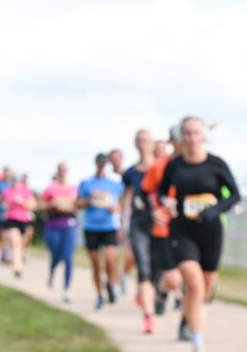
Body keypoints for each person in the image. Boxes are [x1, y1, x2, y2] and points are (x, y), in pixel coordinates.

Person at [159, 116, 241, 352]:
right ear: (180, 137)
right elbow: (162, 191)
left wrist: (214, 210)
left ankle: (188, 320)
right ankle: (197, 345)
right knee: (193, 284)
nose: (192, 138)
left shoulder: (216, 164)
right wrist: (166, 201)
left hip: (211, 230)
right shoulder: (174, 165)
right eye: (187, 133)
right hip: (183, 229)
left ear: (203, 135)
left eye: (195, 133)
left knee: (205, 289)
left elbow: (234, 195)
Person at [143, 130, 184, 318]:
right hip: (164, 226)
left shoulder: (201, 164)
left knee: (189, 273)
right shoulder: (160, 165)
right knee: (173, 276)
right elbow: (145, 192)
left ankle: (187, 323)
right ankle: (163, 290)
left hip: (192, 228)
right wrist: (154, 211)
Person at [122, 129, 159, 333]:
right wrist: (123, 223)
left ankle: (151, 295)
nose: (143, 144)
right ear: (135, 144)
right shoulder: (130, 173)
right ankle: (148, 316)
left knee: (158, 270)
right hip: (138, 223)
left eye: (146, 140)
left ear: (153, 144)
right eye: (139, 141)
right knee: (143, 268)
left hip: (161, 224)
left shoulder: (163, 168)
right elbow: (126, 198)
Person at [77, 153, 125, 309]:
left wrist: (117, 209)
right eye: (100, 163)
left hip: (109, 226)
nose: (102, 166)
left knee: (111, 258)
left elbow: (122, 202)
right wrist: (90, 199)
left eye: (104, 163)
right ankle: (99, 295)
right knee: (96, 263)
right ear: (96, 164)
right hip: (91, 227)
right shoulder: (86, 183)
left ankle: (111, 283)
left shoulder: (114, 184)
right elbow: (77, 204)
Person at [41, 162, 78, 303]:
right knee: (56, 255)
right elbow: (40, 204)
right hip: (53, 225)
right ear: (57, 171)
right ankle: (52, 271)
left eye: (64, 170)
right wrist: (51, 204)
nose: (62, 172)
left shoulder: (73, 188)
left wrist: (73, 206)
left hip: (69, 224)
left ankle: (67, 289)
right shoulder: (50, 189)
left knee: (68, 257)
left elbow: (79, 204)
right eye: (60, 170)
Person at [0, 172, 36, 278]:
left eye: (16, 180)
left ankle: (15, 259)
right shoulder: (7, 191)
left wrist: (22, 202)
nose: (15, 182)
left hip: (23, 220)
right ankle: (17, 267)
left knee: (21, 244)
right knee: (16, 242)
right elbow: (3, 204)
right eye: (13, 180)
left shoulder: (26, 191)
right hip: (11, 220)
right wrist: (5, 206)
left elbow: (33, 205)